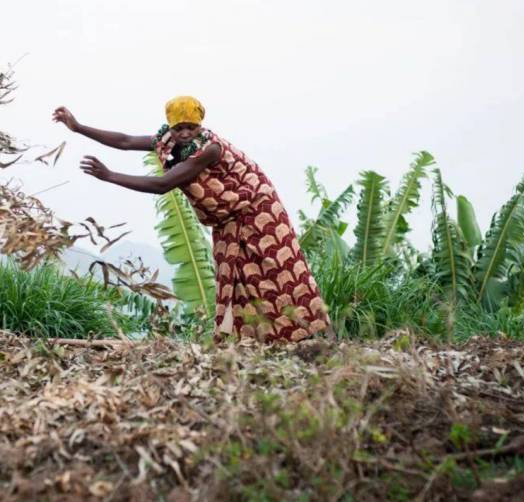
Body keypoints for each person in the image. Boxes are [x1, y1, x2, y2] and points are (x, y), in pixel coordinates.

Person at [52, 96, 331, 343]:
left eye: (191, 127)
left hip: (257, 209)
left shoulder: (209, 149)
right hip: (230, 217)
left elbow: (163, 185)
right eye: (178, 128)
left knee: (276, 270)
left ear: (201, 125)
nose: (185, 133)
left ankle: (309, 330)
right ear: (169, 127)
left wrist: (110, 175)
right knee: (238, 276)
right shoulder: (167, 140)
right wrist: (78, 127)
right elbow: (125, 141)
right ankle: (257, 338)